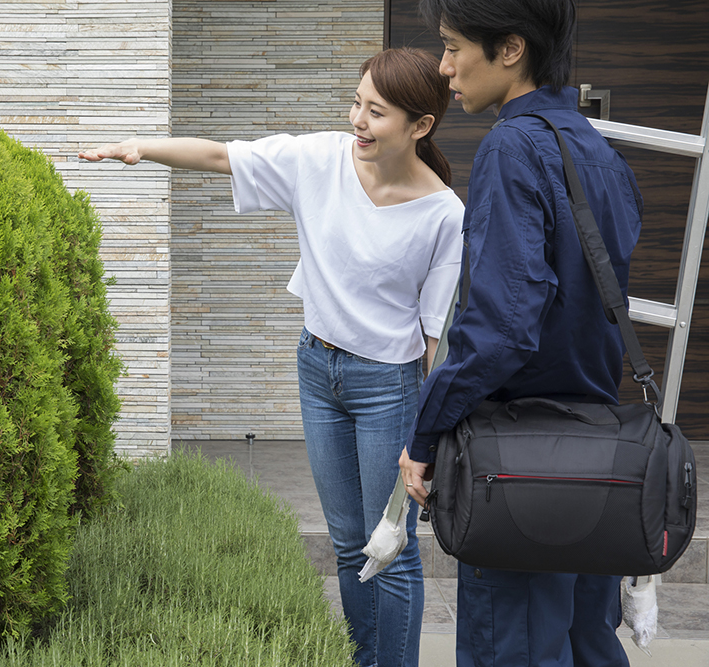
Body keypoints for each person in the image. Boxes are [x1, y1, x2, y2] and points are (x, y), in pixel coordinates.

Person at [80, 48, 464, 667]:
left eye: (377, 112)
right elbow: (220, 155)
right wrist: (142, 146)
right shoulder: (320, 160)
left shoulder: (445, 215)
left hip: (387, 384)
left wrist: (424, 436)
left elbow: (433, 337)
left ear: (420, 126)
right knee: (346, 542)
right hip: (318, 368)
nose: (358, 122)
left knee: (389, 548)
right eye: (357, 104)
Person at [399, 1, 644, 665]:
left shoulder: (512, 147)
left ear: (510, 49)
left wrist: (426, 430)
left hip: (519, 465)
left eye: (453, 47)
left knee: (512, 648)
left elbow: (504, 327)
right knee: (587, 640)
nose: (444, 67)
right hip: (594, 457)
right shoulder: (601, 153)